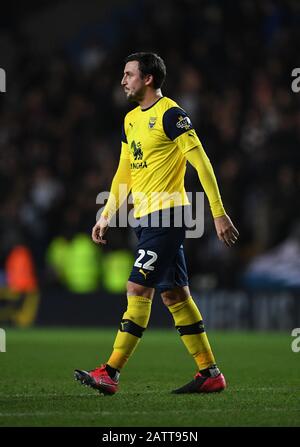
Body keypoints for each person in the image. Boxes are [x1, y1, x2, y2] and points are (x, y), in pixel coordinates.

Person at [74, 52, 239, 395]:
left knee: (137, 289)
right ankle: (209, 372)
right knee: (176, 296)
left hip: (170, 215)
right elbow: (125, 173)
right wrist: (106, 215)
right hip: (145, 219)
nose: (123, 81)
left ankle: (111, 372)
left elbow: (202, 162)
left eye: (129, 74)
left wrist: (218, 212)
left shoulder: (172, 115)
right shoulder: (131, 119)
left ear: (148, 78)